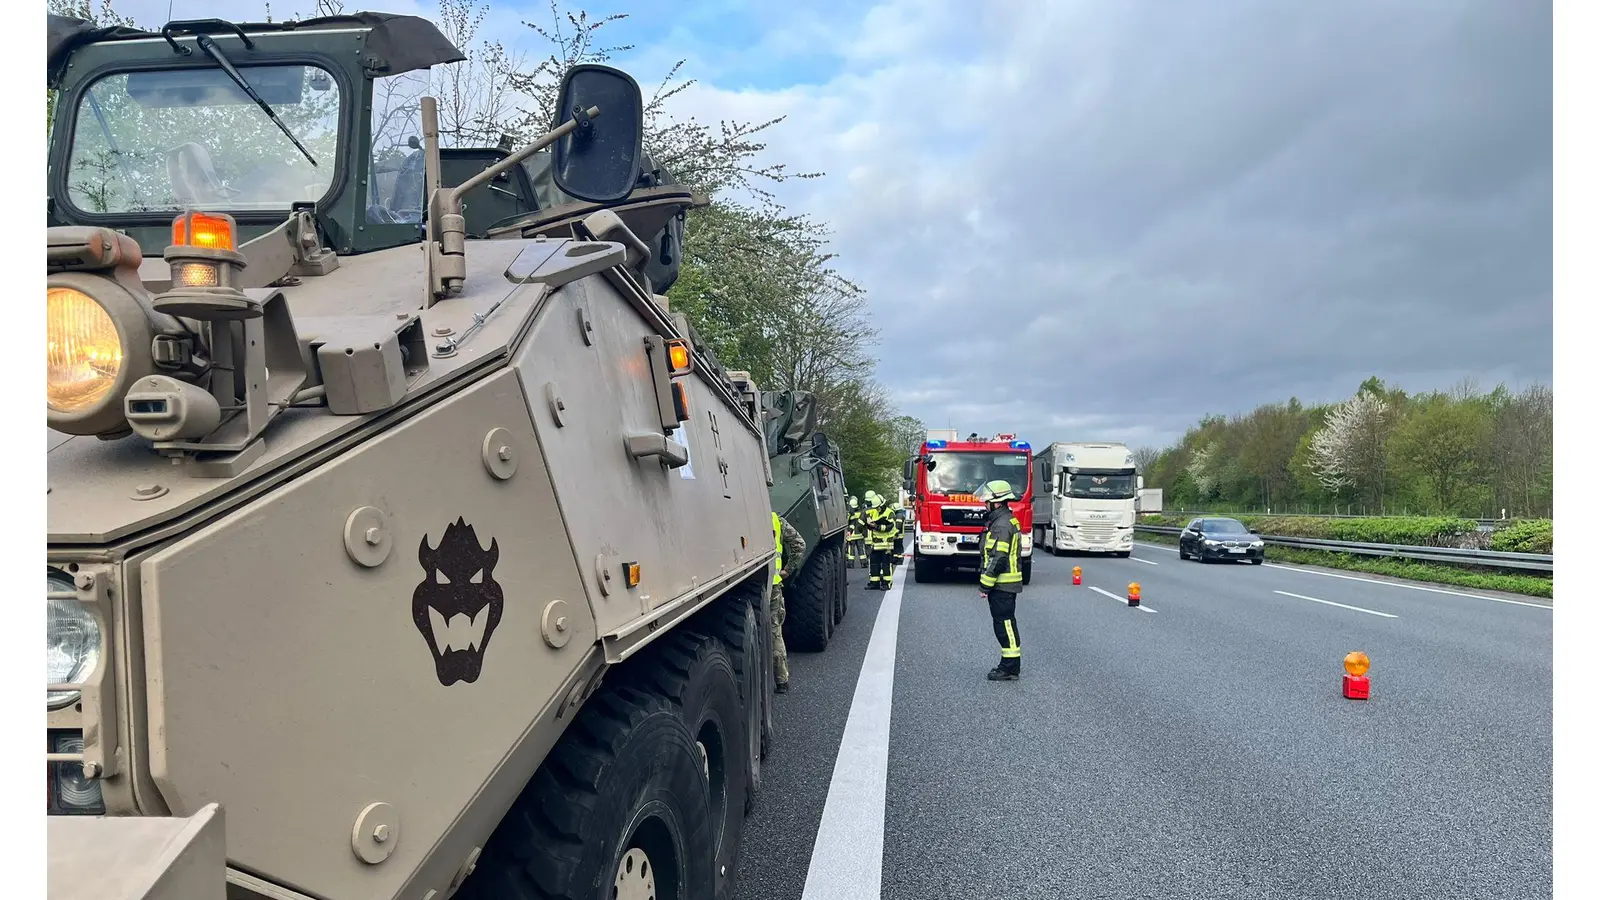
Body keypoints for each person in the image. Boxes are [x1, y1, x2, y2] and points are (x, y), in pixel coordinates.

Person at [974, 479, 1024, 681]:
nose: (984, 504)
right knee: (1004, 624)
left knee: (1005, 625)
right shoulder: (1003, 520)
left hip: (1003, 584)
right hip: (1003, 584)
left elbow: (999, 558)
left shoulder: (1001, 525)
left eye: (987, 501)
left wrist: (985, 584)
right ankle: (1009, 665)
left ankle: (1010, 667)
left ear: (997, 502)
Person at [771, 511, 806, 694]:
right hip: (774, 584)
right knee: (774, 631)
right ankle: (781, 680)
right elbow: (799, 544)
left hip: (748, 585)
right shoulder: (776, 520)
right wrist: (788, 569)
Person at [864, 492, 897, 591]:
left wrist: (876, 526)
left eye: (878, 507)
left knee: (886, 564)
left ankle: (887, 583)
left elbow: (889, 527)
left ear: (883, 505)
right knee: (874, 564)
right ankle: (875, 583)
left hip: (886, 544)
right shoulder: (873, 512)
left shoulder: (890, 513)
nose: (877, 509)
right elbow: (869, 527)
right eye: (876, 507)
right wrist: (870, 525)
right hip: (876, 544)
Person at [845, 495, 865, 569]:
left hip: (851, 535)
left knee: (851, 550)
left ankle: (850, 564)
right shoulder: (861, 513)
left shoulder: (849, 513)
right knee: (861, 549)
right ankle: (863, 563)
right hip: (859, 534)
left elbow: (849, 523)